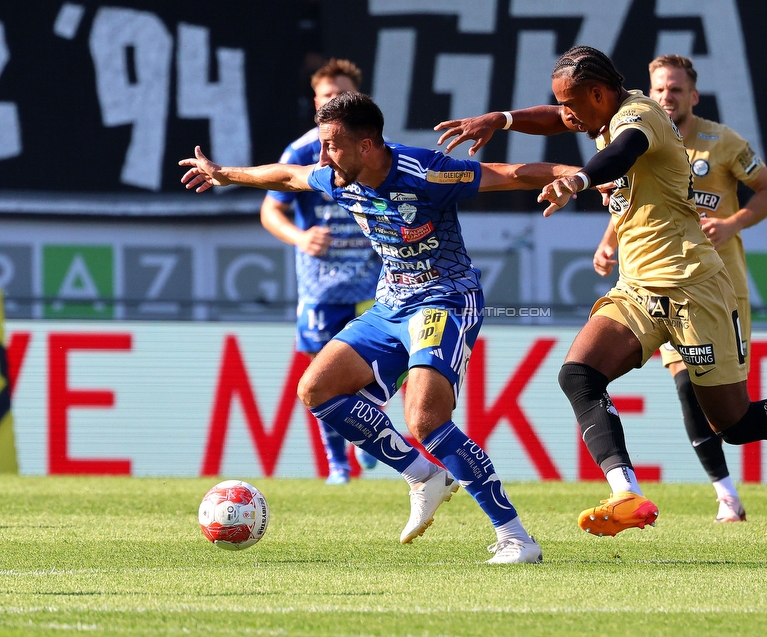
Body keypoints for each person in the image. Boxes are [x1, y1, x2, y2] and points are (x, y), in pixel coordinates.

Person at [436, 45, 767, 538]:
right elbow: (556, 118)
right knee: (578, 374)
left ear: (599, 93)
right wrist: (502, 118)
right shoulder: (599, 108)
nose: (567, 115)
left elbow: (623, 152)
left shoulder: (641, 116)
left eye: (572, 103)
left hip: (693, 288)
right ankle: (627, 493)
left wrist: (577, 178)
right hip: (637, 289)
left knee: (734, 424)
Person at [182, 91, 578, 563]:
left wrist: (576, 177)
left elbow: (509, 175)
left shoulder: (426, 172)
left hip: (445, 299)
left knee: (425, 419)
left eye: (332, 144)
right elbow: (287, 176)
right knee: (316, 388)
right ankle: (422, 473)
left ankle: (516, 538)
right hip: (390, 305)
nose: (323, 156)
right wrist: (226, 175)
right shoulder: (337, 177)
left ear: (368, 145)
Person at [589, 55, 767, 522]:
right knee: (684, 390)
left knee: (730, 416)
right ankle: (725, 493)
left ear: (693, 96)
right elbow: (635, 200)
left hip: (718, 289)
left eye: (675, 89)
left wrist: (733, 223)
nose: (666, 97)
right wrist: (607, 242)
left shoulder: (724, 143)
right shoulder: (634, 132)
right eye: (659, 88)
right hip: (657, 286)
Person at [260, 58, 380, 485]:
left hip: (371, 283)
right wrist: (299, 237)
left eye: (341, 95)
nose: (334, 102)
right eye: (327, 96)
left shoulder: (372, 147)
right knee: (319, 377)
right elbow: (270, 210)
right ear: (316, 101)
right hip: (320, 286)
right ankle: (338, 466)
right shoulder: (302, 152)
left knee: (371, 375)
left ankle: (368, 439)